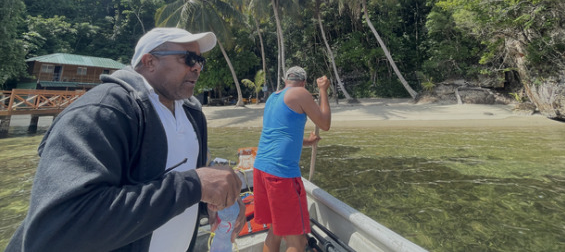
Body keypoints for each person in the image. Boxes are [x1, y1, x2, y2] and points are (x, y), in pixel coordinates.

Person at [7, 27, 245, 252]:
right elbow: (58, 229)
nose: (197, 68)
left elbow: (179, 187)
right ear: (149, 61)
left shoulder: (192, 113)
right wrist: (195, 185)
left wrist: (213, 201)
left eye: (200, 61)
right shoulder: (104, 111)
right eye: (188, 58)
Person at [253, 66, 331, 252]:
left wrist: (307, 141)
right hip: (281, 174)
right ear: (303, 82)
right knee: (296, 241)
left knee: (275, 231)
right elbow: (325, 123)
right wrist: (322, 90)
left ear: (286, 80)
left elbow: (279, 134)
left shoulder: (273, 97)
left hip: (261, 169)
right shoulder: (300, 93)